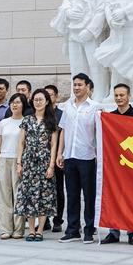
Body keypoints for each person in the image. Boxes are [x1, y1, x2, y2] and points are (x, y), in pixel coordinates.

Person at [56, 74, 102, 244]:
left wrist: (98, 154)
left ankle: (89, 229)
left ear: (88, 87)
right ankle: (73, 229)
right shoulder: (67, 107)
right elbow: (63, 130)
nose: (76, 88)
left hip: (88, 156)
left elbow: (100, 133)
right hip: (70, 156)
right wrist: (60, 153)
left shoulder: (96, 107)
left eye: (80, 85)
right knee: (72, 194)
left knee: (89, 195)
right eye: (74, 85)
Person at [102, 84, 133, 245]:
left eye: (122, 95)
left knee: (132, 199)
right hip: (115, 164)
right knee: (114, 197)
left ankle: (131, 232)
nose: (119, 98)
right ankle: (114, 231)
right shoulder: (110, 117)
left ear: (129, 96)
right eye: (116, 95)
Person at [17, 90, 59, 242]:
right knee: (29, 195)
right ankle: (31, 230)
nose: (38, 102)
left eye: (41, 99)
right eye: (35, 100)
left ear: (47, 101)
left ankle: (40, 230)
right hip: (29, 161)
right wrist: (19, 163)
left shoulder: (51, 121)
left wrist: (51, 165)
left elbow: (53, 144)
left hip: (45, 160)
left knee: (44, 195)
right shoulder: (27, 120)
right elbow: (21, 143)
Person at [0, 93, 27, 240]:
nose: (14, 105)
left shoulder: (27, 122)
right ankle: (6, 228)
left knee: (18, 195)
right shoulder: (4, 122)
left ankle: (18, 228)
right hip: (4, 159)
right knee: (4, 195)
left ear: (23, 105)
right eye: (12, 102)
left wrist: (21, 163)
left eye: (18, 102)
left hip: (19, 161)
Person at [43, 84, 65, 232]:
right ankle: (43, 220)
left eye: (50, 94)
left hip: (57, 157)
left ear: (56, 97)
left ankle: (57, 219)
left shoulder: (61, 114)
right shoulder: (37, 114)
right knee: (41, 190)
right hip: (40, 157)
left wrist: (60, 154)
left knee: (58, 190)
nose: (47, 97)